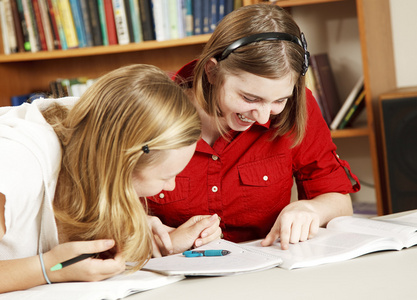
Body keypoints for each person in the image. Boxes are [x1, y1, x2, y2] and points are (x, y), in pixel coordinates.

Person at [146, 4, 361, 251]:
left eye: (279, 100)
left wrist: (311, 208)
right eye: (250, 98)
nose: (261, 118)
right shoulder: (150, 109)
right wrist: (141, 228)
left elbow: (340, 201)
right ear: (213, 72)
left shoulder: (298, 108)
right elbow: (105, 208)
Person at [0, 64, 221, 293]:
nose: (171, 185)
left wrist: (158, 242)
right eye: (167, 176)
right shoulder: (16, 166)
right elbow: (54, 260)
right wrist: (49, 269)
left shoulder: (92, 135)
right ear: (123, 161)